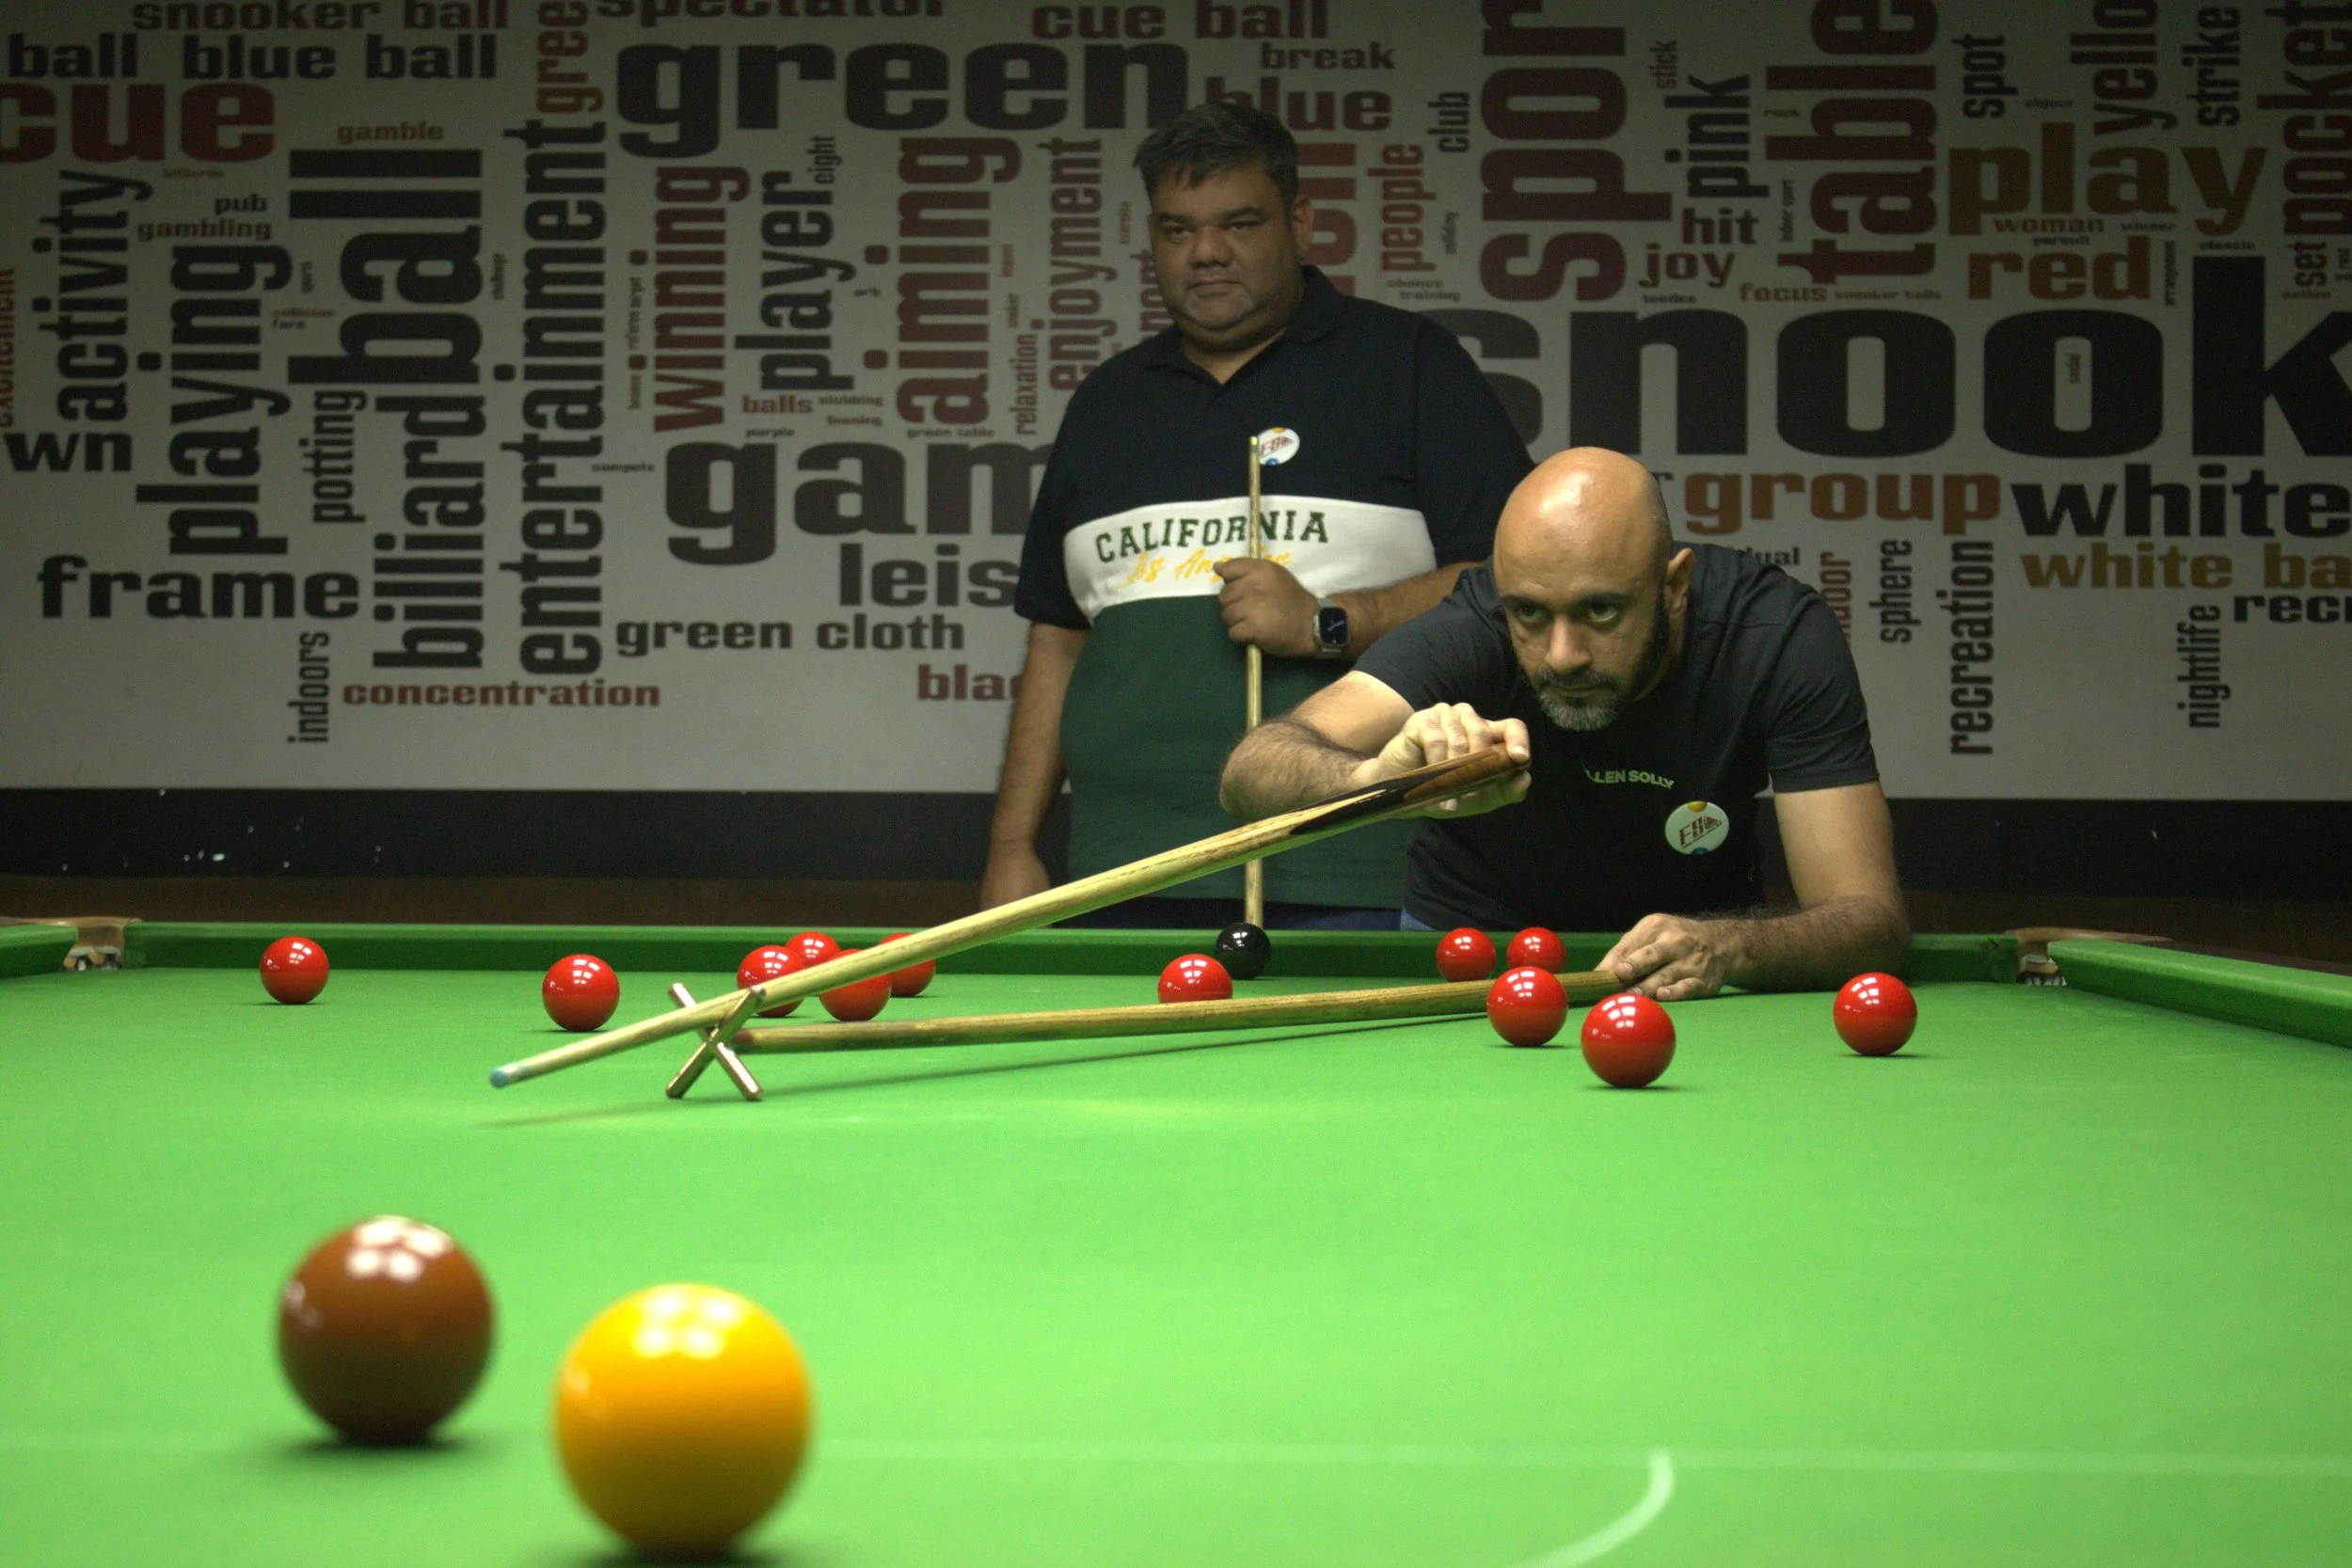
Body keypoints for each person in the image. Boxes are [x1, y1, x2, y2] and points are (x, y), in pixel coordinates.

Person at [981, 101, 1531, 927]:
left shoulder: (1407, 365)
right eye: (1177, 230)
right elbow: (1058, 640)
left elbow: (1509, 584)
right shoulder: (1107, 403)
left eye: (1238, 223)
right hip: (1120, 872)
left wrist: (1330, 622)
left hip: (1357, 867)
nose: (1206, 252)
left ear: (1300, 221)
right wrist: (1012, 847)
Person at [1217, 447, 1910, 999]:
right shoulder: (1479, 621)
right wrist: (1375, 778)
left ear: (1673, 588)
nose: (1562, 655)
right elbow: (1252, 772)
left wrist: (1731, 946)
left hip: (1691, 967)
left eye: (1601, 611)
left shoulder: (1774, 637)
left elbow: (1869, 921)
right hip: (1475, 953)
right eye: (1530, 614)